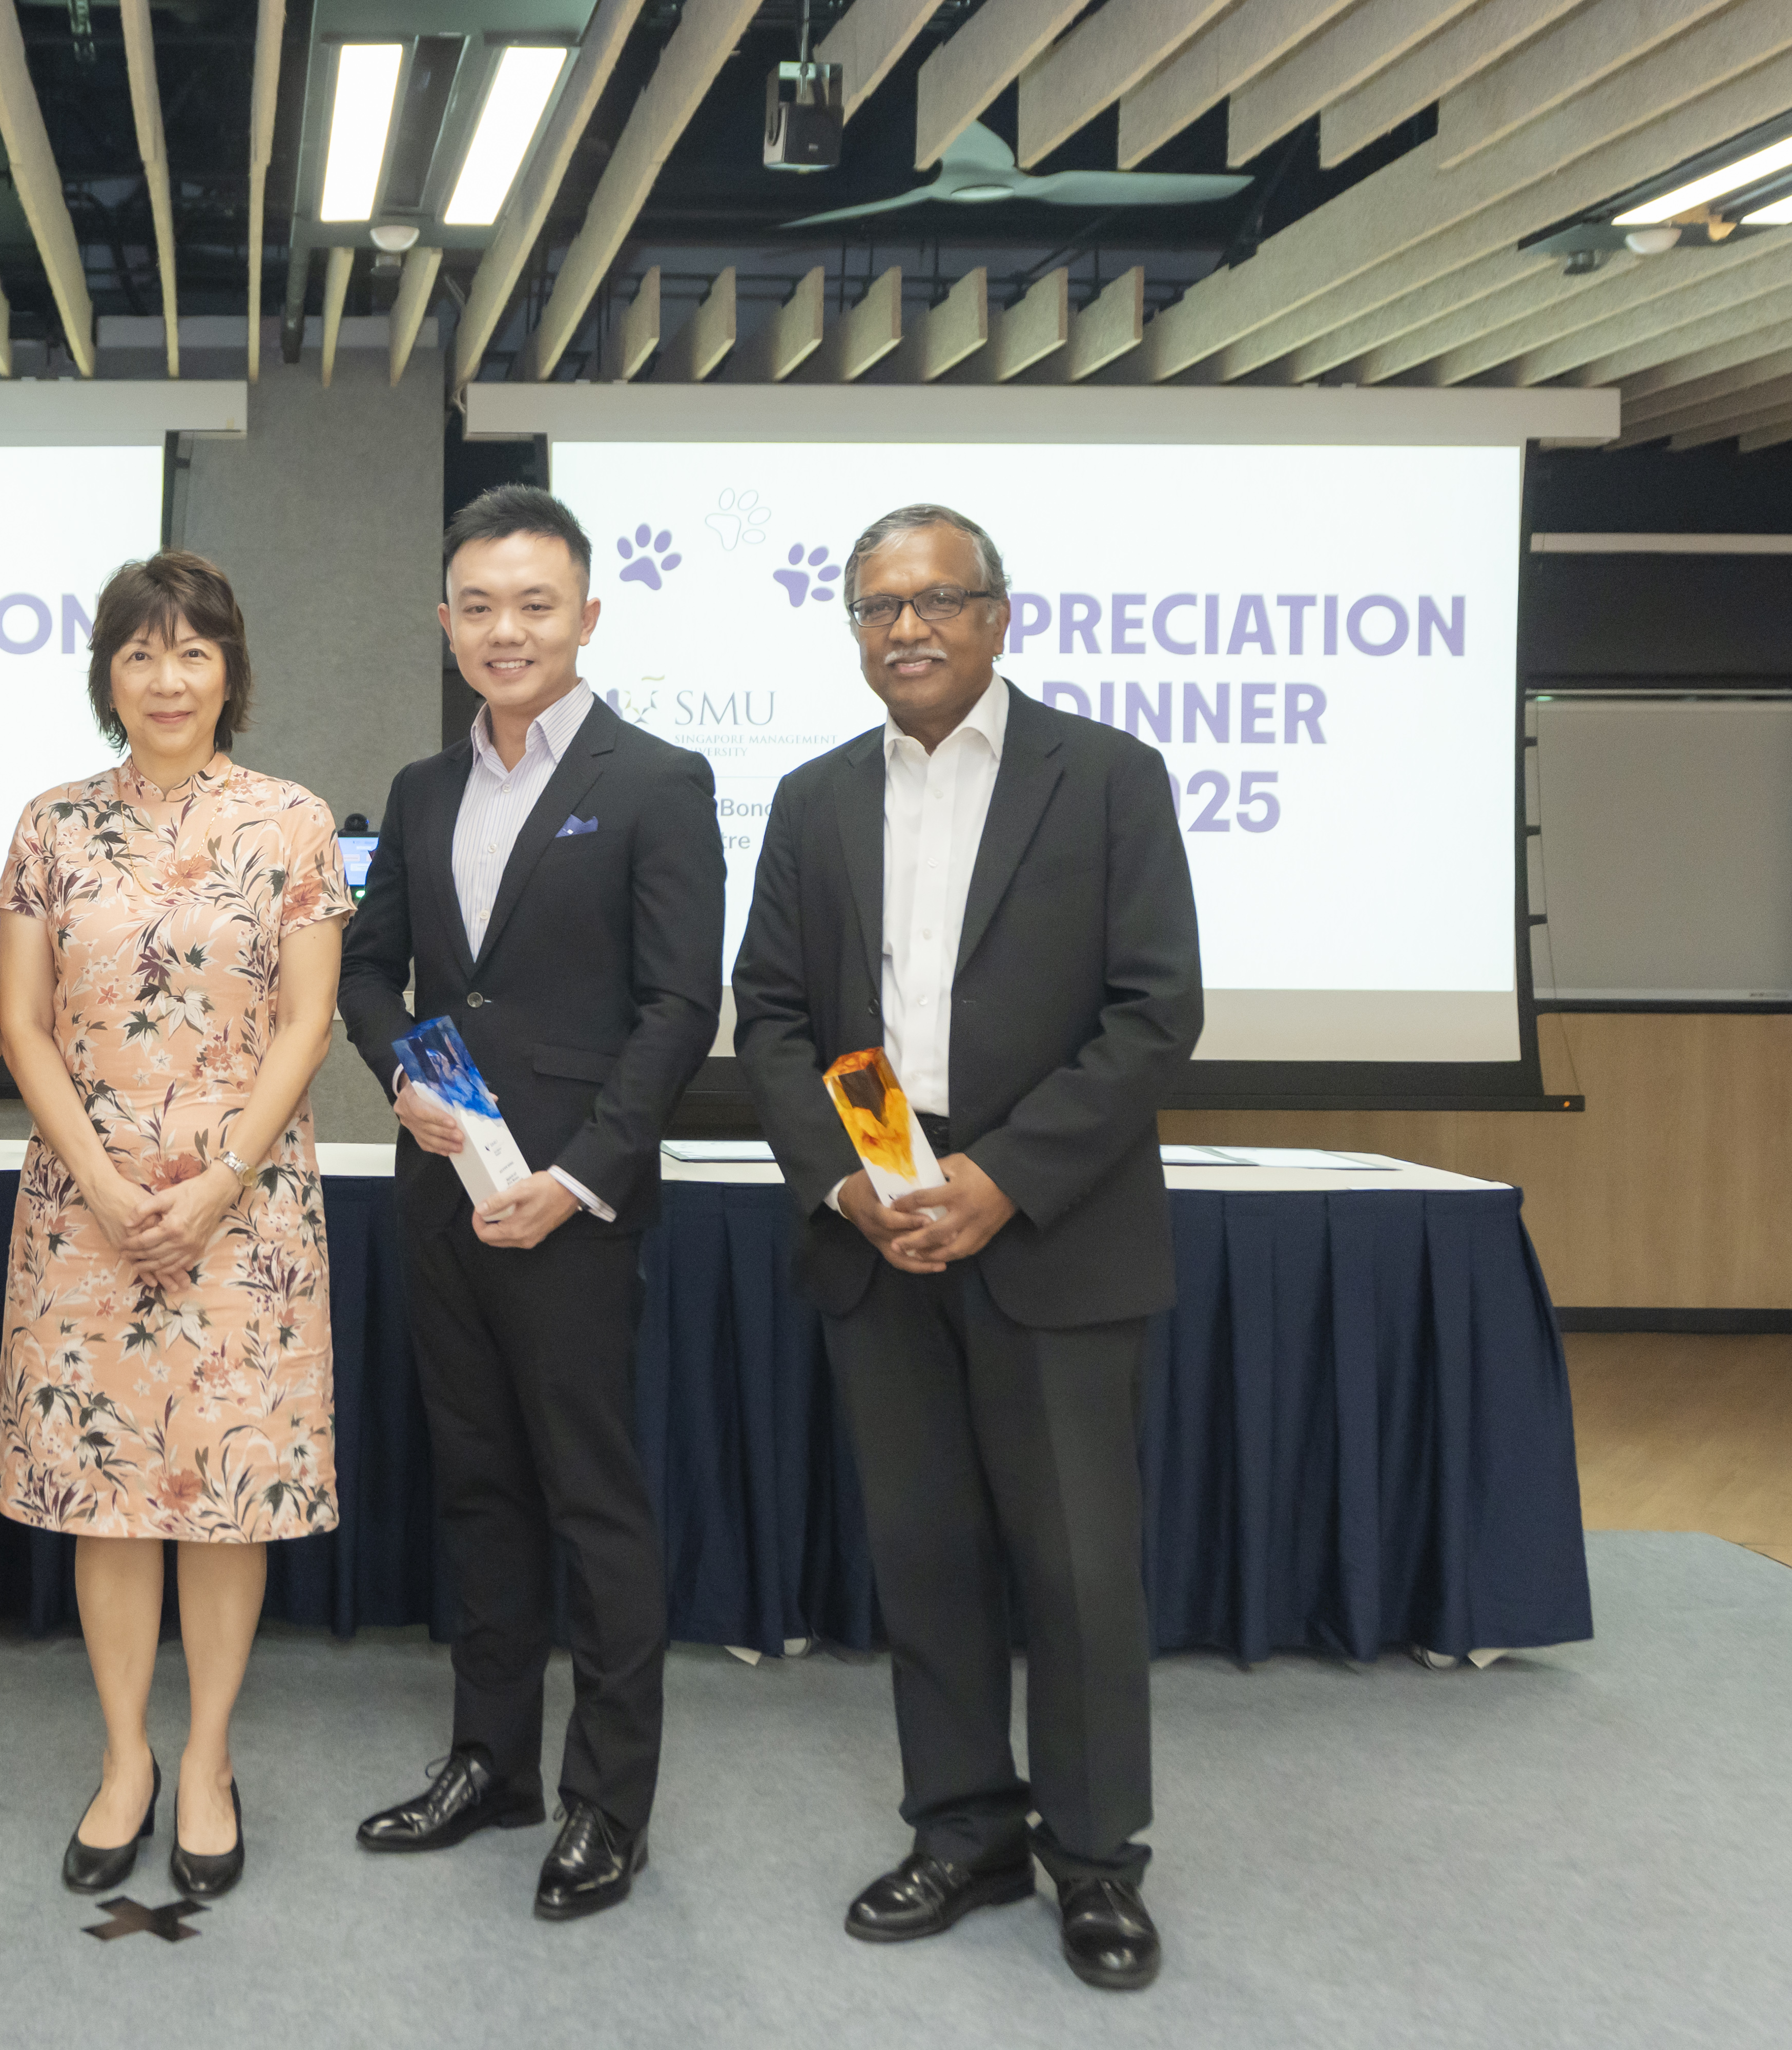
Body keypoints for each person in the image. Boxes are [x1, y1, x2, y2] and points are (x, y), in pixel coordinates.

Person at [731, 504, 1201, 1991]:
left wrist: (1000, 1177)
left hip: (1051, 1231)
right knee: (924, 1558)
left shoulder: (1110, 779)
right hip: (885, 1238)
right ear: (854, 630)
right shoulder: (813, 800)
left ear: (999, 616)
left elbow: (1153, 1012)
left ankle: (1096, 1858)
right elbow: (778, 1016)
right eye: (878, 607)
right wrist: (854, 1182)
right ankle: (962, 1829)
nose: (908, 629)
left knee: (1076, 1569)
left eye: (938, 601)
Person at [336, 485, 724, 1921]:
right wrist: (398, 1071)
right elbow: (375, 971)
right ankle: (488, 1762)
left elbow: (682, 1008)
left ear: (588, 618)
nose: (508, 631)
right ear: (447, 624)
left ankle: (605, 1805)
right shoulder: (427, 788)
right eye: (480, 608)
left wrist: (582, 1178)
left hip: (576, 1207)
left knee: (593, 1508)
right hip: (442, 1195)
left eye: (536, 605)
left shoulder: (657, 779)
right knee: (478, 1488)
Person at [0, 550, 351, 1902]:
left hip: (244, 1210)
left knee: (223, 1498)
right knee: (114, 1500)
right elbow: (22, 1020)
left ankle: (205, 1760)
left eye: (194, 651)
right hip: (83, 1208)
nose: (168, 677)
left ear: (230, 670)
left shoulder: (292, 822)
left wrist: (217, 1178)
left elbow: (308, 1020)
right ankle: (124, 1760)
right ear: (109, 676)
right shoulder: (49, 825)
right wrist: (96, 1172)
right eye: (141, 653)